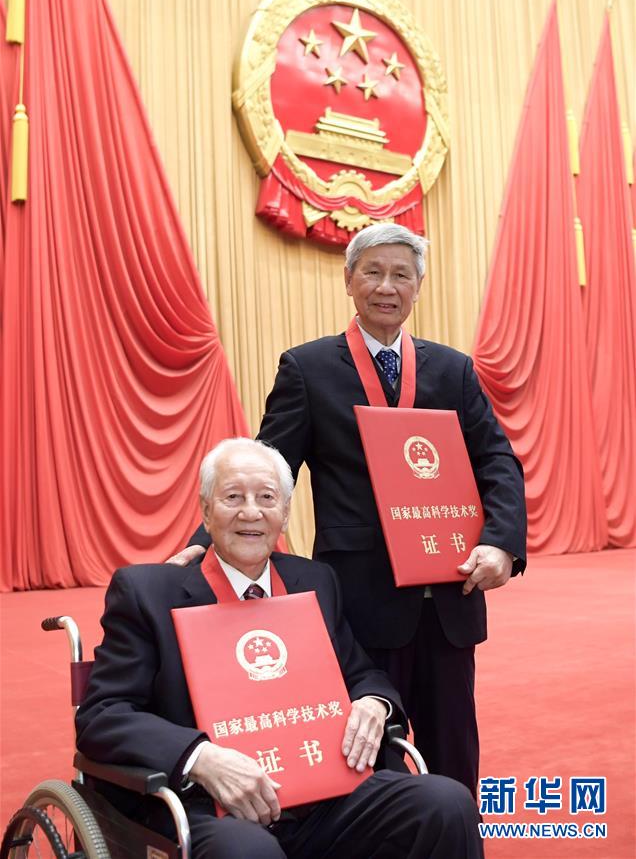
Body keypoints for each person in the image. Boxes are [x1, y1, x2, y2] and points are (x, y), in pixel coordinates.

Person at [175, 223, 527, 796]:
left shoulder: (453, 370)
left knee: (455, 755)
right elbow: (268, 465)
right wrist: (207, 540)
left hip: (449, 593)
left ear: (418, 287)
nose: (387, 287)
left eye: (401, 275)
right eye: (374, 272)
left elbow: (497, 460)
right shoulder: (308, 368)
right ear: (348, 280)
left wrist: (502, 543)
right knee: (369, 757)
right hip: (360, 599)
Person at [76, 438, 483, 859]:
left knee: (448, 804)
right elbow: (102, 715)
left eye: (267, 498)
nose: (251, 512)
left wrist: (373, 702)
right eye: (233, 497)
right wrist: (200, 757)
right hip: (212, 805)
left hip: (325, 797)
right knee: (248, 852)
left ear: (285, 514)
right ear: (206, 511)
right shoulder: (148, 593)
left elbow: (361, 673)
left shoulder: (315, 582)